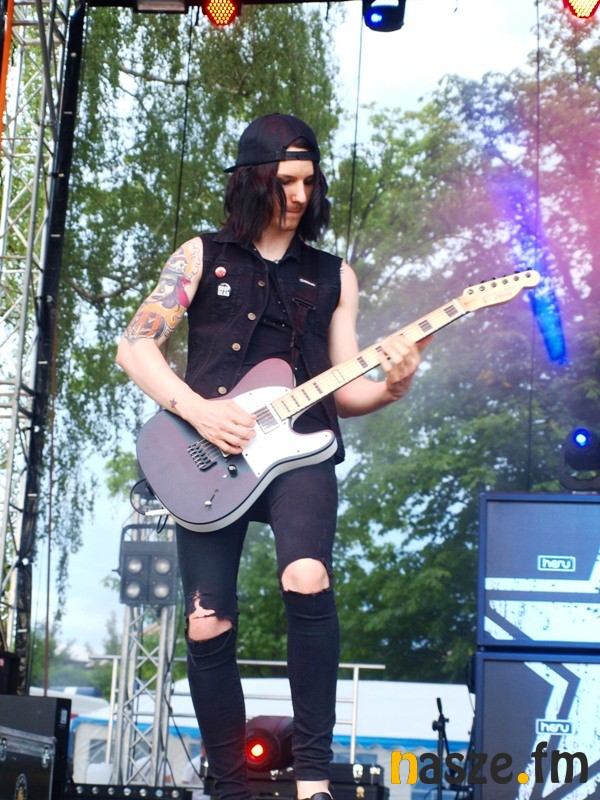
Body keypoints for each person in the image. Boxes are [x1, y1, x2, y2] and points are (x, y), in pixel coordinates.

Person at [116, 113, 425, 800]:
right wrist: (198, 410)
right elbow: (134, 347)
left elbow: (346, 390)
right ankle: (228, 787)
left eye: (309, 182)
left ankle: (313, 777)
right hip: (207, 449)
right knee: (208, 621)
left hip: (301, 449)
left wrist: (395, 384)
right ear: (254, 180)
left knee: (307, 577)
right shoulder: (200, 256)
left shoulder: (334, 275)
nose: (300, 195)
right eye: (286, 181)